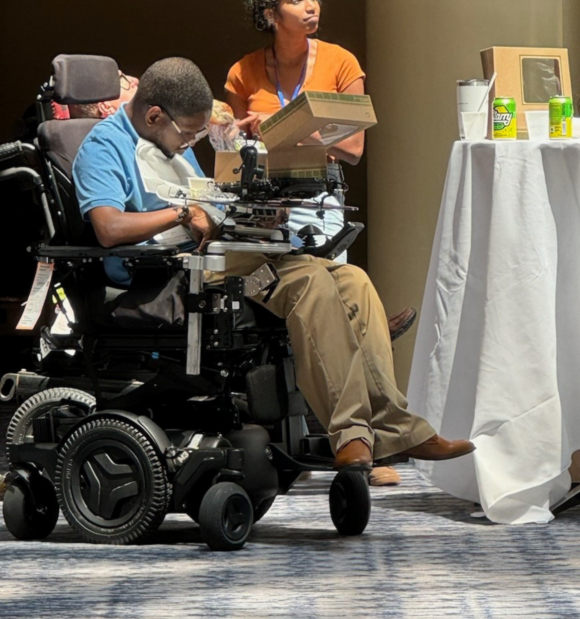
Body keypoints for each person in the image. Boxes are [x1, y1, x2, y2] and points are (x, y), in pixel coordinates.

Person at [72, 57, 475, 474]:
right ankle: (352, 432)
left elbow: (204, 203)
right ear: (155, 116)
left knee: (353, 281)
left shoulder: (165, 143)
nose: (192, 143)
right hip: (173, 273)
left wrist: (255, 214)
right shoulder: (105, 147)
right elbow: (109, 227)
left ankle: (394, 428)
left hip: (223, 256)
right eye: (189, 134)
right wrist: (181, 215)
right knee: (311, 282)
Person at [225, 0, 415, 484]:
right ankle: (346, 435)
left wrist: (282, 129)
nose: (311, 8)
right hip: (267, 212)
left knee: (350, 296)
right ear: (270, 12)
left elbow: (350, 146)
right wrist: (251, 133)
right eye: (297, 0)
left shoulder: (340, 62)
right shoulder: (242, 73)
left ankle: (369, 446)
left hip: (321, 207)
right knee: (321, 304)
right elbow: (235, 148)